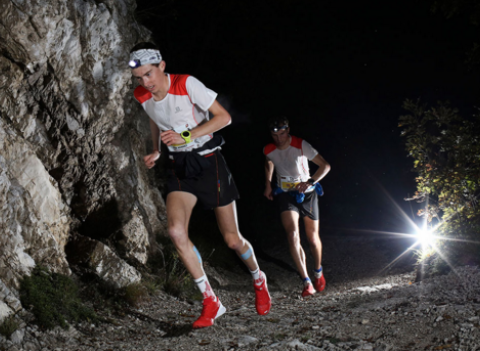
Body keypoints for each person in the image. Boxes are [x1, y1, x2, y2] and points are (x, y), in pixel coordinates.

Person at [129, 42, 271, 328]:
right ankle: (211, 301)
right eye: (139, 77)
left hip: (209, 163)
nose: (146, 82)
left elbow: (224, 118)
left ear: (162, 66)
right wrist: (156, 149)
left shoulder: (187, 84)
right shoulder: (141, 95)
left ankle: (258, 277)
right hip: (180, 167)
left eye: (149, 74)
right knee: (175, 231)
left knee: (232, 239)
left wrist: (185, 134)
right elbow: (155, 119)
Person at [263, 118, 331, 297]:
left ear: (288, 130)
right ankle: (306, 281)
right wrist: (268, 184)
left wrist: (310, 181)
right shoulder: (268, 149)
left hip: (307, 193)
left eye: (282, 134)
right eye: (274, 135)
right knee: (292, 234)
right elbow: (269, 161)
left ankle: (318, 271)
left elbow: (325, 166)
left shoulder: (301, 145)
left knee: (312, 239)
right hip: (286, 194)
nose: (279, 138)